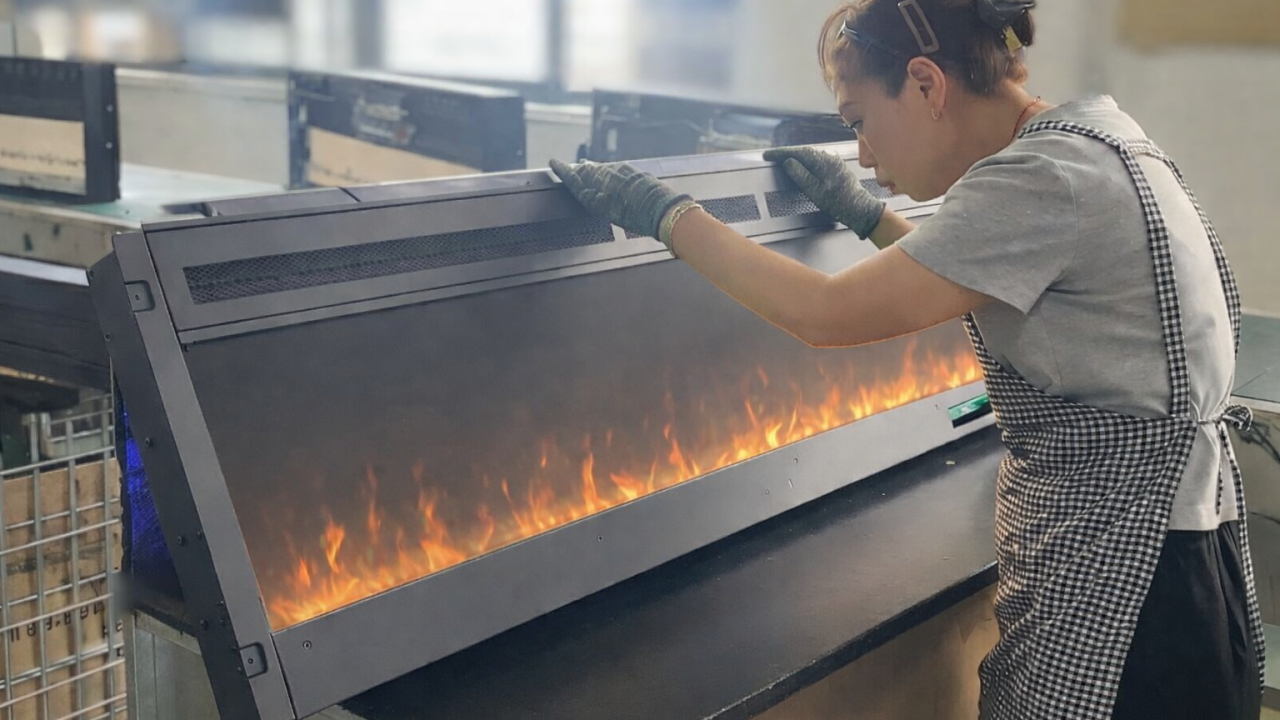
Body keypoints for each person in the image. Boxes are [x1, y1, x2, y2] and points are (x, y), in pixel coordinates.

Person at [548, 0, 1264, 718]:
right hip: (1180, 556)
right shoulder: (1098, 140)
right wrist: (869, 219)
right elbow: (990, 276)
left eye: (858, 120)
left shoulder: (1040, 179)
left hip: (1130, 584)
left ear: (925, 84)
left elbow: (825, 313)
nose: (862, 154)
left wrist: (671, 217)